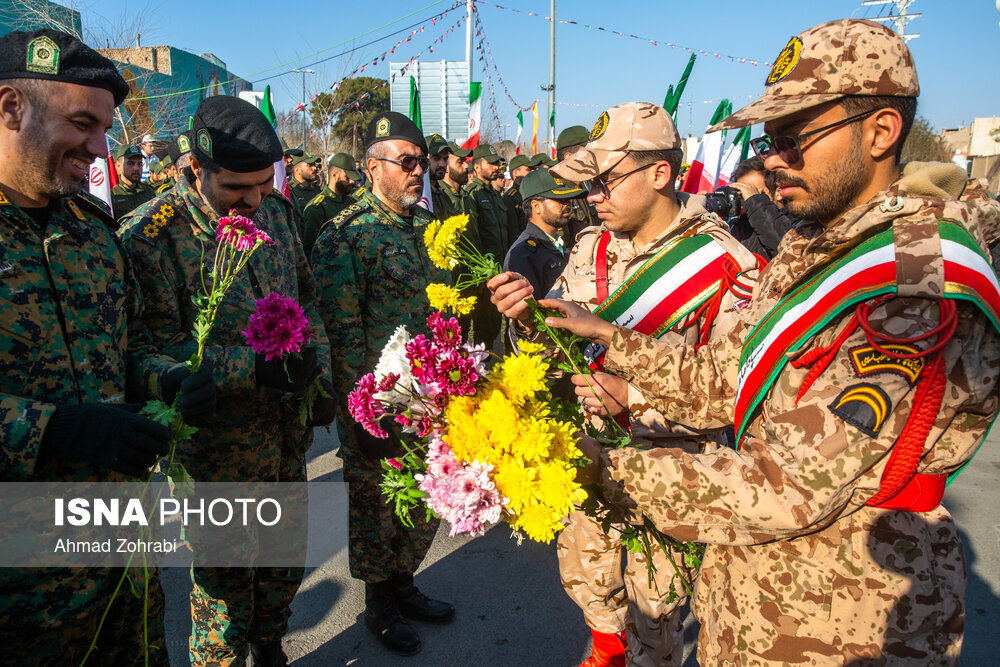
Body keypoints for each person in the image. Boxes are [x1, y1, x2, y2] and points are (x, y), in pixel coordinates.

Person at [534, 19, 1000, 665]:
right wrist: (611, 336)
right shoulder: (818, 244)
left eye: (794, 138)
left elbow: (791, 485)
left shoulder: (913, 280)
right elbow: (723, 381)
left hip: (844, 622)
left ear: (882, 130)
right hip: (755, 602)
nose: (771, 158)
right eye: (768, 139)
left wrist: (591, 465)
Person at [490, 102, 761, 667]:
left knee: (655, 621)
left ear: (659, 174)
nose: (592, 197)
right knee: (593, 590)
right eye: (586, 185)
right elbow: (562, 345)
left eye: (604, 182)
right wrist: (526, 323)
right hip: (592, 463)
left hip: (670, 481)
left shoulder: (728, 265)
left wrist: (635, 396)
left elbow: (738, 395)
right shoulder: (593, 247)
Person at [0, 28, 199, 666]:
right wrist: (49, 429)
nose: (97, 149)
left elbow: (128, 342)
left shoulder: (90, 229)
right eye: (82, 124)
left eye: (104, 131)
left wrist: (163, 377)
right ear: (10, 108)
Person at [120, 95, 334, 667]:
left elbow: (307, 301)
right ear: (196, 168)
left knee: (283, 560)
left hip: (286, 436)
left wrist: (320, 377)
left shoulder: (278, 214)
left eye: (265, 184)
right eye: (239, 189)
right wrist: (249, 369)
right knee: (224, 592)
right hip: (219, 452)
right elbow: (145, 351)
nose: (255, 201)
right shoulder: (150, 238)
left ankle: (271, 647)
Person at [311, 111, 455, 657]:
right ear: (374, 167)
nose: (421, 171)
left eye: (424, 162)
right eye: (408, 162)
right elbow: (339, 333)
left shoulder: (424, 230)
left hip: (430, 399)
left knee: (422, 504)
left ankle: (404, 583)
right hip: (377, 403)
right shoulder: (345, 236)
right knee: (376, 507)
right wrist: (359, 413)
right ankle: (379, 603)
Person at [502, 168, 584, 296]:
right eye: (560, 200)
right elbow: (529, 311)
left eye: (568, 199)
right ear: (536, 206)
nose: (567, 204)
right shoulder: (524, 255)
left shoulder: (555, 243)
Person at [726, 156, 796, 259]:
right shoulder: (736, 227)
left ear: (778, 191)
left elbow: (789, 253)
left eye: (754, 192)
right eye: (742, 195)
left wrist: (755, 201)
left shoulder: (799, 222)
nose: (747, 200)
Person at [300, 152, 361, 257]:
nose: (352, 182)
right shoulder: (318, 208)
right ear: (334, 175)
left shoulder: (352, 202)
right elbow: (311, 250)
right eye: (347, 177)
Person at [556, 125, 600, 249]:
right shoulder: (558, 192)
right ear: (568, 157)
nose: (593, 156)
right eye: (587, 152)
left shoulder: (588, 185)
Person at [111, 143, 156, 220]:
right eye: (130, 163)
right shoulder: (112, 193)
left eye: (139, 164)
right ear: (118, 165)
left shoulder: (148, 192)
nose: (136, 168)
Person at [288, 152, 321, 221]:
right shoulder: (290, 191)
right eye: (310, 165)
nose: (315, 168)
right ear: (297, 170)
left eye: (314, 165)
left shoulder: (317, 190)